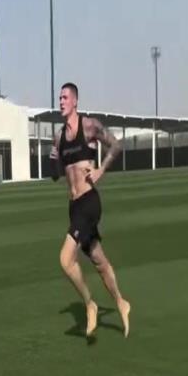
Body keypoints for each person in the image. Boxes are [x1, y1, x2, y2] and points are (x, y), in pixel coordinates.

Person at [50, 82, 131, 338]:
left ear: (75, 101)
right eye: (59, 98)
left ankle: (90, 304)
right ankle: (121, 302)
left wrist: (100, 170)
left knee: (65, 259)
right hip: (74, 206)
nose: (61, 102)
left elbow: (116, 145)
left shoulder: (89, 126)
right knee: (99, 261)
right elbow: (56, 174)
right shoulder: (58, 137)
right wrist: (53, 156)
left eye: (65, 98)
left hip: (90, 202)